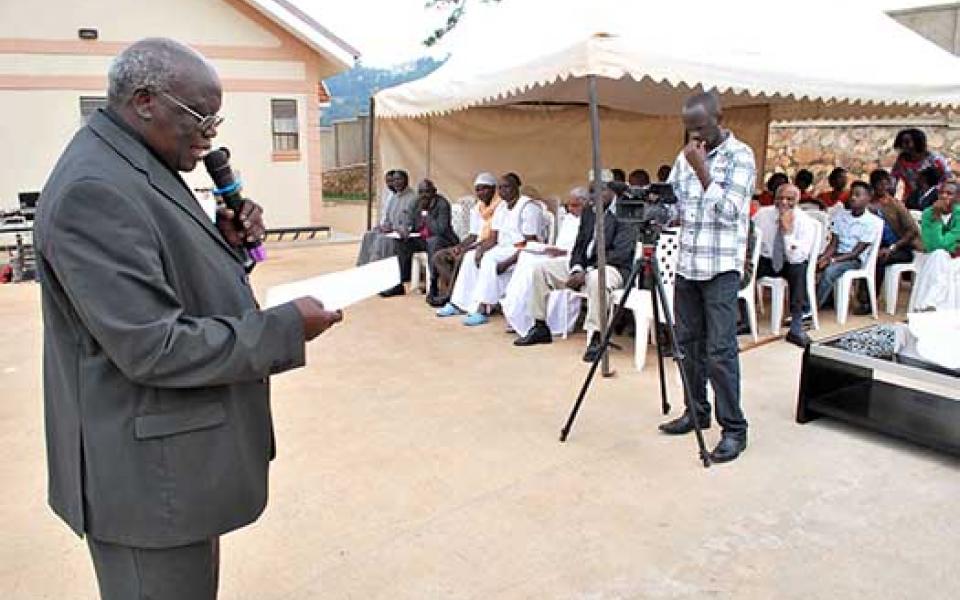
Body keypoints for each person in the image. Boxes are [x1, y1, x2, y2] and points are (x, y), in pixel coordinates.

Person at [33, 38, 343, 600]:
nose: (211, 134)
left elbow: (162, 270)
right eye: (201, 116)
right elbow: (152, 346)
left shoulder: (133, 158)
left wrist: (224, 246)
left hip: (172, 473)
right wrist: (282, 328)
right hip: (146, 488)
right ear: (146, 101)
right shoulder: (93, 189)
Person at [656, 92, 755, 464]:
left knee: (720, 351)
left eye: (700, 127)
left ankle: (734, 429)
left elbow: (731, 211)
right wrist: (662, 208)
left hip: (720, 268)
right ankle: (696, 410)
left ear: (719, 117)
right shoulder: (686, 156)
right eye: (689, 129)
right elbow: (680, 205)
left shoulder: (740, 156)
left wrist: (702, 169)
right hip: (688, 264)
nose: (695, 135)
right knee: (687, 344)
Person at [513, 183, 635, 361]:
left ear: (611, 192)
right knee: (541, 269)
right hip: (585, 266)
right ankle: (540, 327)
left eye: (599, 191)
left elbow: (621, 253)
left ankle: (596, 337)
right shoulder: (589, 212)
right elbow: (579, 245)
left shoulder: (625, 212)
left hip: (613, 268)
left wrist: (586, 273)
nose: (593, 196)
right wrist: (577, 267)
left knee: (596, 279)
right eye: (591, 192)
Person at [437, 173, 543, 325]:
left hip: (522, 250)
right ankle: (459, 303)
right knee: (469, 257)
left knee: (489, 260)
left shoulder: (528, 207)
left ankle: (483, 308)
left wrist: (508, 262)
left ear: (517, 187)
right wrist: (480, 250)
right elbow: (493, 237)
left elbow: (530, 242)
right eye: (500, 188)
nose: (503, 191)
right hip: (503, 248)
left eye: (506, 187)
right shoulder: (501, 207)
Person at [501, 187, 586, 339]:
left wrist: (563, 253)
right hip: (557, 255)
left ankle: (533, 318)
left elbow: (583, 250)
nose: (570, 209)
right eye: (569, 205)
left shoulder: (590, 221)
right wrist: (551, 249)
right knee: (526, 258)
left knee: (535, 266)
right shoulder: (569, 219)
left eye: (575, 206)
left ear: (585, 204)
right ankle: (517, 312)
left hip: (572, 261)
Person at [753, 184, 819, 347]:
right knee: (741, 269)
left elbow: (797, 257)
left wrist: (788, 233)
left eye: (789, 199)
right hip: (767, 259)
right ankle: (744, 319)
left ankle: (796, 326)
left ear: (797, 200)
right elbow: (751, 238)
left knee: (799, 270)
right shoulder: (763, 214)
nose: (783, 202)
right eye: (780, 198)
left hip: (791, 262)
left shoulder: (805, 222)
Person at [852, 169, 921, 314]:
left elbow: (912, 231)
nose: (883, 188)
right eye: (879, 185)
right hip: (875, 245)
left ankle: (868, 301)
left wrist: (892, 247)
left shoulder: (895, 205)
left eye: (886, 184)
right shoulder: (867, 204)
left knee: (877, 260)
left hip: (900, 248)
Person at [430, 172, 500, 305]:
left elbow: (494, 237)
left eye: (485, 188)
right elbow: (473, 234)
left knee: (462, 257)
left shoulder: (500, 207)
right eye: (478, 189)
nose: (481, 192)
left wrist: (467, 249)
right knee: (439, 256)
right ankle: (455, 291)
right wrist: (460, 246)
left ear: (493, 189)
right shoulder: (477, 208)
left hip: (492, 245)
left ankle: (451, 296)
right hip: (476, 243)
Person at [814, 181, 881, 309]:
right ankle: (806, 302)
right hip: (837, 254)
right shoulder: (841, 216)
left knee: (829, 271)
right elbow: (833, 244)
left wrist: (832, 260)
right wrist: (824, 257)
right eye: (851, 194)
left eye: (857, 195)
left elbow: (856, 253)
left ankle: (812, 308)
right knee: (809, 264)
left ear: (867, 199)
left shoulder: (872, 222)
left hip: (854, 259)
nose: (853, 197)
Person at [397, 179, 460, 305]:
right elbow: (406, 219)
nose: (424, 195)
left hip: (444, 240)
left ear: (434, 192)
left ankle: (433, 284)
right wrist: (404, 228)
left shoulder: (442, 204)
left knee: (433, 241)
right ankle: (400, 282)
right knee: (400, 243)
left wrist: (427, 214)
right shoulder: (416, 202)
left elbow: (440, 230)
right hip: (421, 239)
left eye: (427, 192)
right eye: (421, 192)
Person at [357, 168, 417, 295]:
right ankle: (364, 273)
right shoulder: (394, 197)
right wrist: (384, 226)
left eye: (399, 179)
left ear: (406, 180)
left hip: (403, 236)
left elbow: (412, 223)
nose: (396, 182)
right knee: (370, 235)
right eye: (394, 180)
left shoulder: (413, 198)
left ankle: (386, 281)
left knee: (382, 240)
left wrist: (394, 228)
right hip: (391, 231)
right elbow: (389, 219)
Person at [913, 179, 960, 311]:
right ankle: (931, 304)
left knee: (943, 260)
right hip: (931, 257)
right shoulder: (929, 213)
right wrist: (937, 217)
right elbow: (931, 244)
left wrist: (946, 246)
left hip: (956, 259)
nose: (944, 196)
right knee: (939, 256)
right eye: (941, 193)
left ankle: (928, 304)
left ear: (958, 197)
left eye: (949, 194)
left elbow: (943, 242)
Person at [891, 128, 951, 201]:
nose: (903, 145)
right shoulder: (901, 160)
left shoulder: (934, 159)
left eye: (907, 142)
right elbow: (893, 180)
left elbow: (948, 177)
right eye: (901, 142)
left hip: (935, 199)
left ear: (918, 142)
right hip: (912, 199)